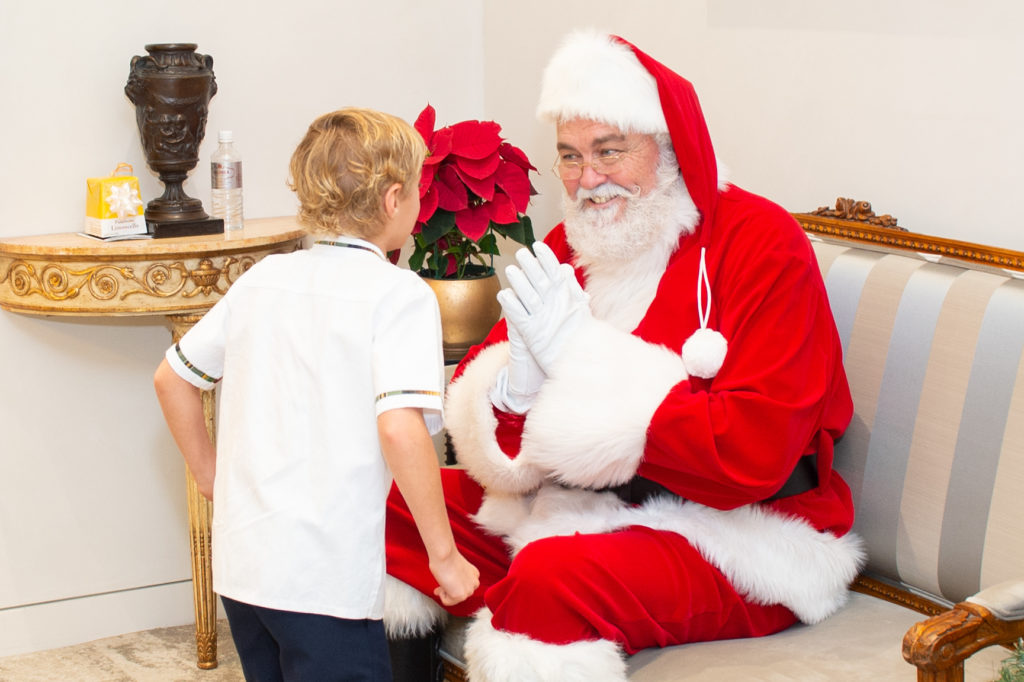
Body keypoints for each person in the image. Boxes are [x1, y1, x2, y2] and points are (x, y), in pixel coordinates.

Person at [382, 31, 866, 682]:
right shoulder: (569, 244)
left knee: (552, 578)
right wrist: (516, 389)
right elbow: (497, 431)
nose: (589, 180)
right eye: (571, 158)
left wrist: (583, 361)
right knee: (394, 503)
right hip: (580, 506)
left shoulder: (761, 244)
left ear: (667, 148)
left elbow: (755, 450)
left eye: (610, 152)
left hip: (738, 531)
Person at [153, 108, 480, 682]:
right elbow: (401, 429)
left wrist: (210, 478)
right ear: (392, 198)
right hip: (324, 581)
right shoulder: (398, 295)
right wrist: (445, 558)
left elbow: (172, 378)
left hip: (244, 570)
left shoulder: (262, 279)